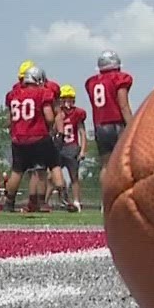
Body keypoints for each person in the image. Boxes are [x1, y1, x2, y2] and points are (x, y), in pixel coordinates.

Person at [4, 64, 61, 214]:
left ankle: (8, 202)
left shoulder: (13, 94)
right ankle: (41, 203)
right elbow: (49, 116)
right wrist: (51, 126)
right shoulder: (42, 92)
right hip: (38, 136)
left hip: (18, 138)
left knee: (16, 171)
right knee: (40, 170)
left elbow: (8, 120)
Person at [85, 49, 134, 171]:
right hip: (116, 124)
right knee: (124, 164)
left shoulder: (91, 82)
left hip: (100, 126)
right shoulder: (119, 78)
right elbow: (123, 105)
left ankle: (106, 190)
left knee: (106, 166)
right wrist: (132, 125)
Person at [56, 84, 87, 212]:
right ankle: (47, 202)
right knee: (52, 176)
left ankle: (76, 202)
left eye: (69, 99)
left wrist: (83, 149)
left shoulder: (77, 114)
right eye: (64, 99)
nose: (67, 102)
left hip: (72, 147)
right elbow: (52, 132)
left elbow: (82, 133)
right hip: (59, 147)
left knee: (74, 177)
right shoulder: (58, 114)